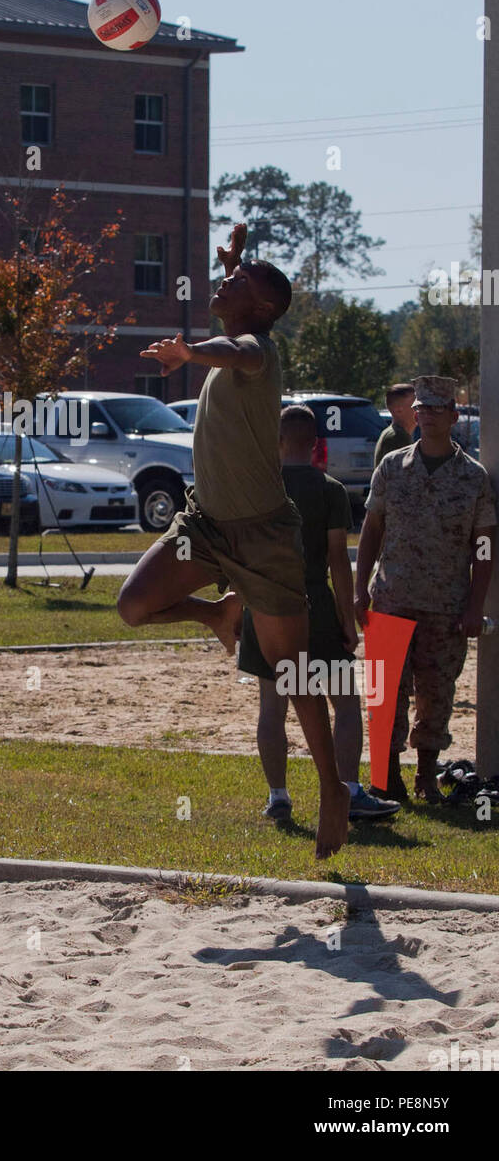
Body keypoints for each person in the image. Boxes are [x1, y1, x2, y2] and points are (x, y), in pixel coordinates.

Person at [117, 222, 351, 859]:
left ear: (264, 309)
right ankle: (220, 613)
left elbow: (241, 350)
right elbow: (237, 318)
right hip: (206, 524)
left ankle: (332, 789)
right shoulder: (242, 324)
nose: (222, 284)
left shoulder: (259, 353)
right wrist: (237, 261)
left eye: (236, 284)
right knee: (133, 606)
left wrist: (191, 354)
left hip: (264, 537)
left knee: (293, 671)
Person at [238, 405, 399, 824]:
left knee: (272, 706)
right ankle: (348, 791)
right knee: (344, 704)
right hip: (316, 605)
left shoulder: (259, 489)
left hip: (266, 605)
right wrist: (348, 619)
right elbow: (337, 561)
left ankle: (278, 796)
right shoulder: (329, 489)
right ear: (315, 443)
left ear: (278, 441)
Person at [355, 375, 496, 802]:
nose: (429, 415)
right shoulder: (392, 467)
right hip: (393, 597)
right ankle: (386, 778)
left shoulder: (473, 478)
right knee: (385, 694)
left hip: (445, 606)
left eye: (438, 408)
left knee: (437, 692)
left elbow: (484, 546)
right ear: (413, 414)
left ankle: (426, 776)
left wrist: (475, 605)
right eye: (422, 408)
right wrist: (360, 590)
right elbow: (371, 529)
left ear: (454, 416)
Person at [374, 383, 418, 468]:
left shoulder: (397, 434)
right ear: (398, 410)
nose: (422, 409)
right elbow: (402, 477)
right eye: (416, 406)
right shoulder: (397, 437)